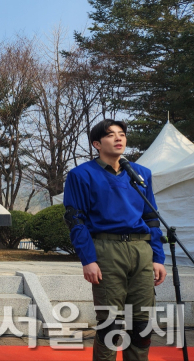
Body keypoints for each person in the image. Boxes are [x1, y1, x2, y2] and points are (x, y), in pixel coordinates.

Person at [63, 119, 167, 361]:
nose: (119, 138)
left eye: (122, 134)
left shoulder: (141, 174)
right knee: (111, 326)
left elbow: (151, 217)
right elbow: (76, 220)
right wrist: (88, 259)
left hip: (141, 250)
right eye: (111, 135)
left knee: (141, 326)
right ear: (97, 144)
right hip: (106, 249)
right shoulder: (81, 175)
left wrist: (158, 257)